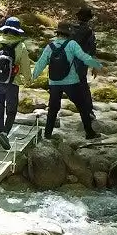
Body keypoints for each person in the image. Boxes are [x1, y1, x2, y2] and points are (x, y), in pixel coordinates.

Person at [33, 10, 103, 140]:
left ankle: (47, 134)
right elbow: (84, 57)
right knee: (82, 107)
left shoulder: (50, 46)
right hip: (71, 82)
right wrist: (97, 65)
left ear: (58, 33)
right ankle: (89, 133)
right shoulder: (72, 44)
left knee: (53, 109)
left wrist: (32, 77)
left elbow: (40, 63)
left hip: (54, 82)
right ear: (68, 33)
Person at [0, 16, 29, 150]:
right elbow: (25, 66)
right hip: (13, 82)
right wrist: (28, 80)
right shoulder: (21, 46)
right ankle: (5, 133)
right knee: (11, 110)